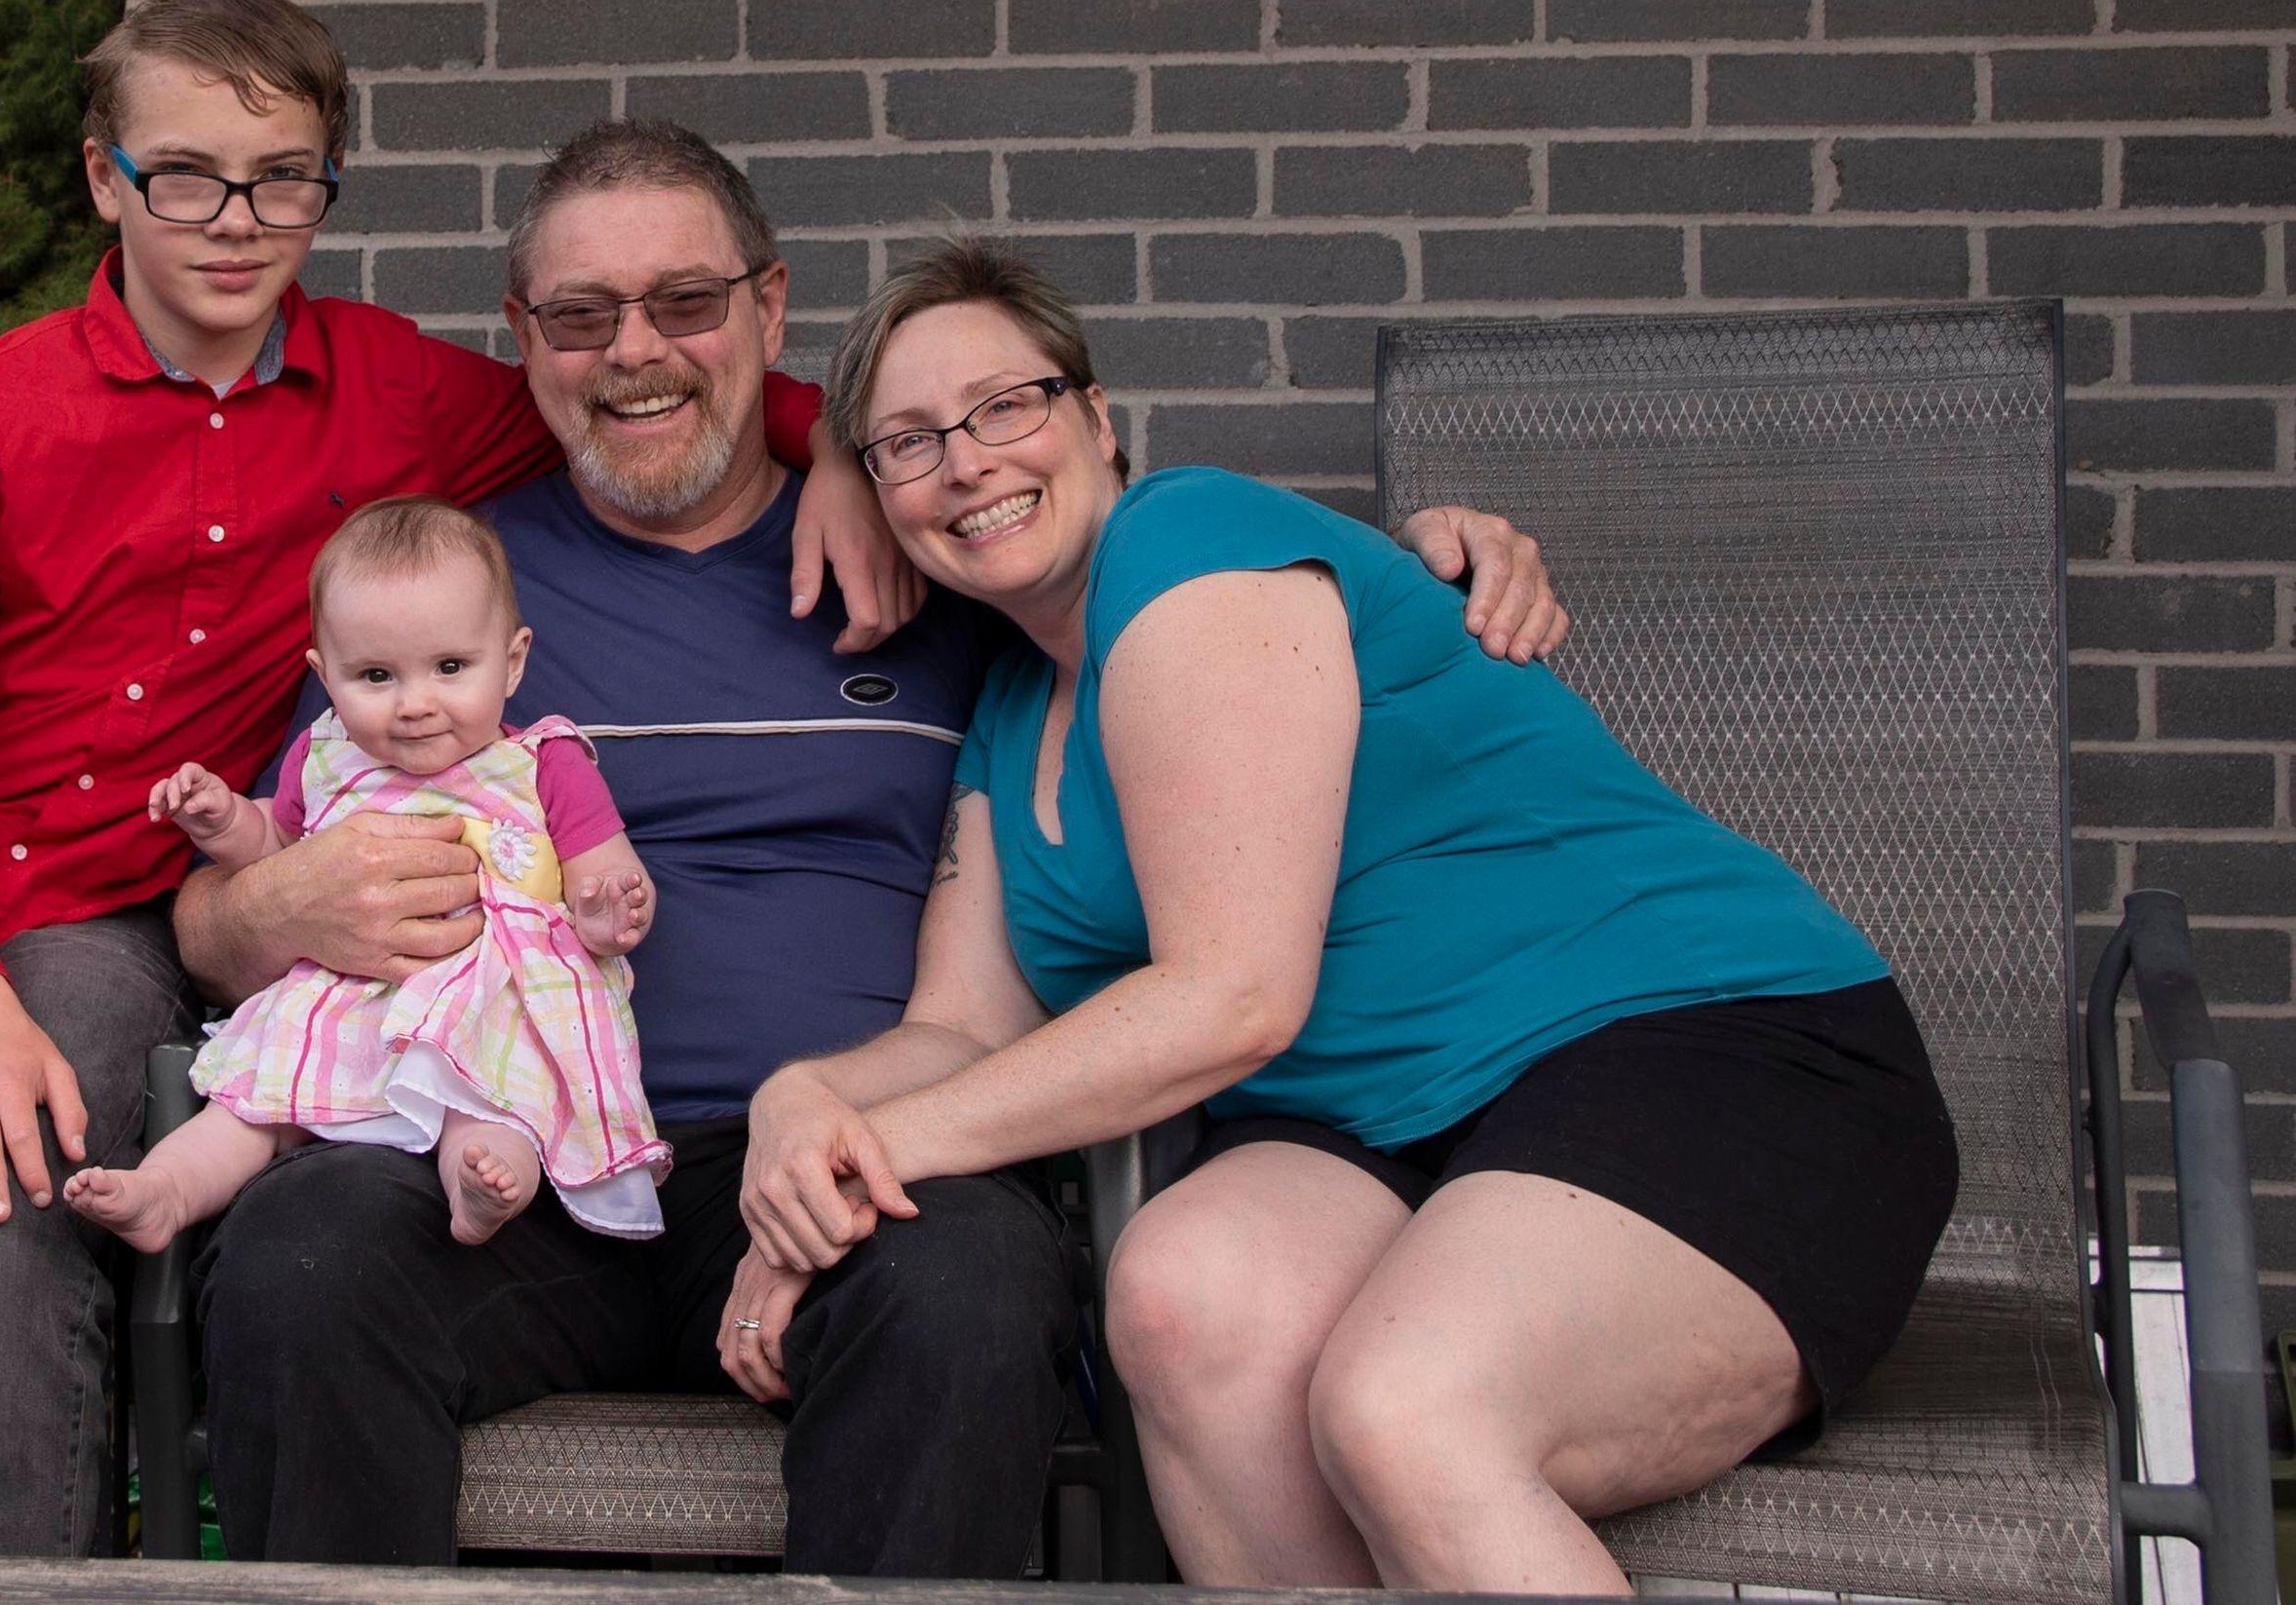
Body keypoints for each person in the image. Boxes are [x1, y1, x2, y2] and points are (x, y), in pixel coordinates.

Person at [0, 0, 897, 1556]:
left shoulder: (398, 394)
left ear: (323, 187)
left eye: (280, 178)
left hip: (105, 918)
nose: (233, 219)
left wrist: (837, 450)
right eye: (183, 175)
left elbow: (635, 392)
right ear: (102, 179)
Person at [174, 120, 1569, 1575]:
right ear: (523, 338)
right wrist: (261, 900)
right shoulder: (435, 587)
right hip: (493, 1148)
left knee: (960, 1279)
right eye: (582, 316)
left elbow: (1166, 596)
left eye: (685, 303)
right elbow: (223, 904)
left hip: (853, 1160)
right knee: (302, 1255)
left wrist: (1423, 556)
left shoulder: (935, 558)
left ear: (768, 310)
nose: (633, 351)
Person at [769, 239, 1961, 1596]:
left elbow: (1229, 996)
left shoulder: (1187, 543)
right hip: (1388, 1131)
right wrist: (798, 1117)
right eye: (908, 443)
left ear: (1096, 421)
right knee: (1182, 1298)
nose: (966, 462)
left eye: (1003, 406)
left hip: (1704, 1047)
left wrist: (868, 1157)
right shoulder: (1001, 712)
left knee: (1408, 1407)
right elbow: (960, 1029)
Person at [65, 496, 665, 1254]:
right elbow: (277, 845)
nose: (414, 705)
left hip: (491, 988)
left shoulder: (543, 761)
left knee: (489, 1107)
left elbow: (601, 871)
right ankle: (165, 1191)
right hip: (348, 990)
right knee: (252, 1107)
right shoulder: (324, 758)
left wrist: (609, 913)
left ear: (511, 662)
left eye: (450, 668)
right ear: (325, 674)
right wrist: (223, 824)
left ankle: (478, 1189)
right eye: (375, 675)